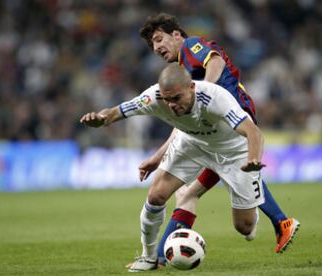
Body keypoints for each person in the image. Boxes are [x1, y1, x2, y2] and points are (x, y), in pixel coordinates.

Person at [136, 12, 299, 264]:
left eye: (159, 39)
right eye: (152, 44)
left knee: (189, 193)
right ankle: (159, 257)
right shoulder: (180, 77)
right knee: (190, 195)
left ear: (177, 35)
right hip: (212, 135)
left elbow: (216, 62)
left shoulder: (191, 47)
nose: (156, 47)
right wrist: (158, 157)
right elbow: (182, 127)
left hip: (232, 128)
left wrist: (204, 92)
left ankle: (280, 220)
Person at [81, 64, 267, 271]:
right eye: (167, 99)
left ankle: (251, 212)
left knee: (244, 227)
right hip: (192, 143)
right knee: (156, 195)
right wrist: (101, 119)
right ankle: (149, 257)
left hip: (233, 152)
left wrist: (253, 158)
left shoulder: (215, 98)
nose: (171, 105)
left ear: (191, 87)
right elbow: (115, 112)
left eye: (177, 98)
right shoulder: (154, 97)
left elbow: (254, 132)